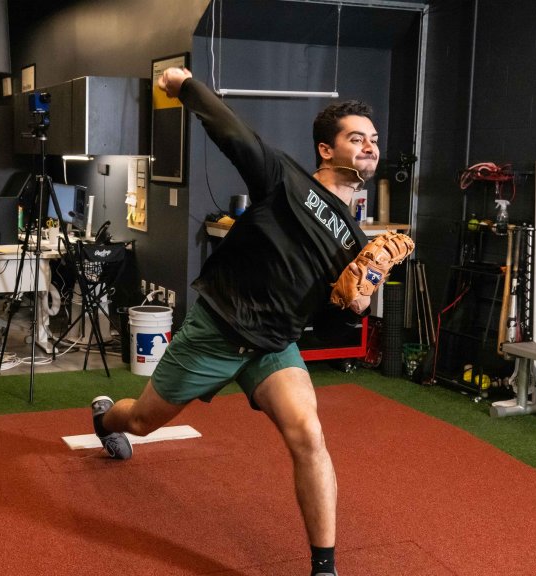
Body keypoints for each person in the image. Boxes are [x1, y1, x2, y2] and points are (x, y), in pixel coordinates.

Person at [90, 68, 396, 576]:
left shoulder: (354, 241)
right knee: (141, 422)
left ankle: (324, 568)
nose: (370, 146)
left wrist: (357, 302)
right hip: (217, 331)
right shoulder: (286, 180)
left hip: (273, 345)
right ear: (326, 149)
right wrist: (187, 87)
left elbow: (330, 316)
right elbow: (234, 133)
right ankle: (105, 419)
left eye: (374, 139)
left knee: (309, 435)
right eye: (356, 138)